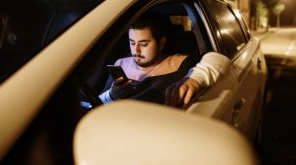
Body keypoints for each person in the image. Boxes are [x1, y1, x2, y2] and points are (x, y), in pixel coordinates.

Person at [99, 12, 231, 108]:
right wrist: (111, 96)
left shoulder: (179, 64)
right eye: (132, 43)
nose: (136, 51)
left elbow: (220, 60)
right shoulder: (120, 64)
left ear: (161, 43)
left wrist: (195, 80)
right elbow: (96, 105)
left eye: (144, 44)